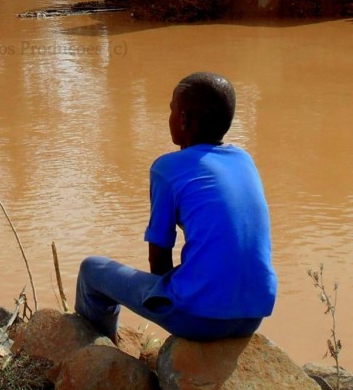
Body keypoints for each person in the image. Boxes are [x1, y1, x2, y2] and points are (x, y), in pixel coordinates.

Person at [75, 72, 277, 342]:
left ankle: (98, 353)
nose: (168, 117)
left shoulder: (167, 169)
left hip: (200, 320)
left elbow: (158, 259)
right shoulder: (244, 161)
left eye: (171, 109)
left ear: (183, 120)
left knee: (92, 270)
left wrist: (169, 296)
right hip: (253, 316)